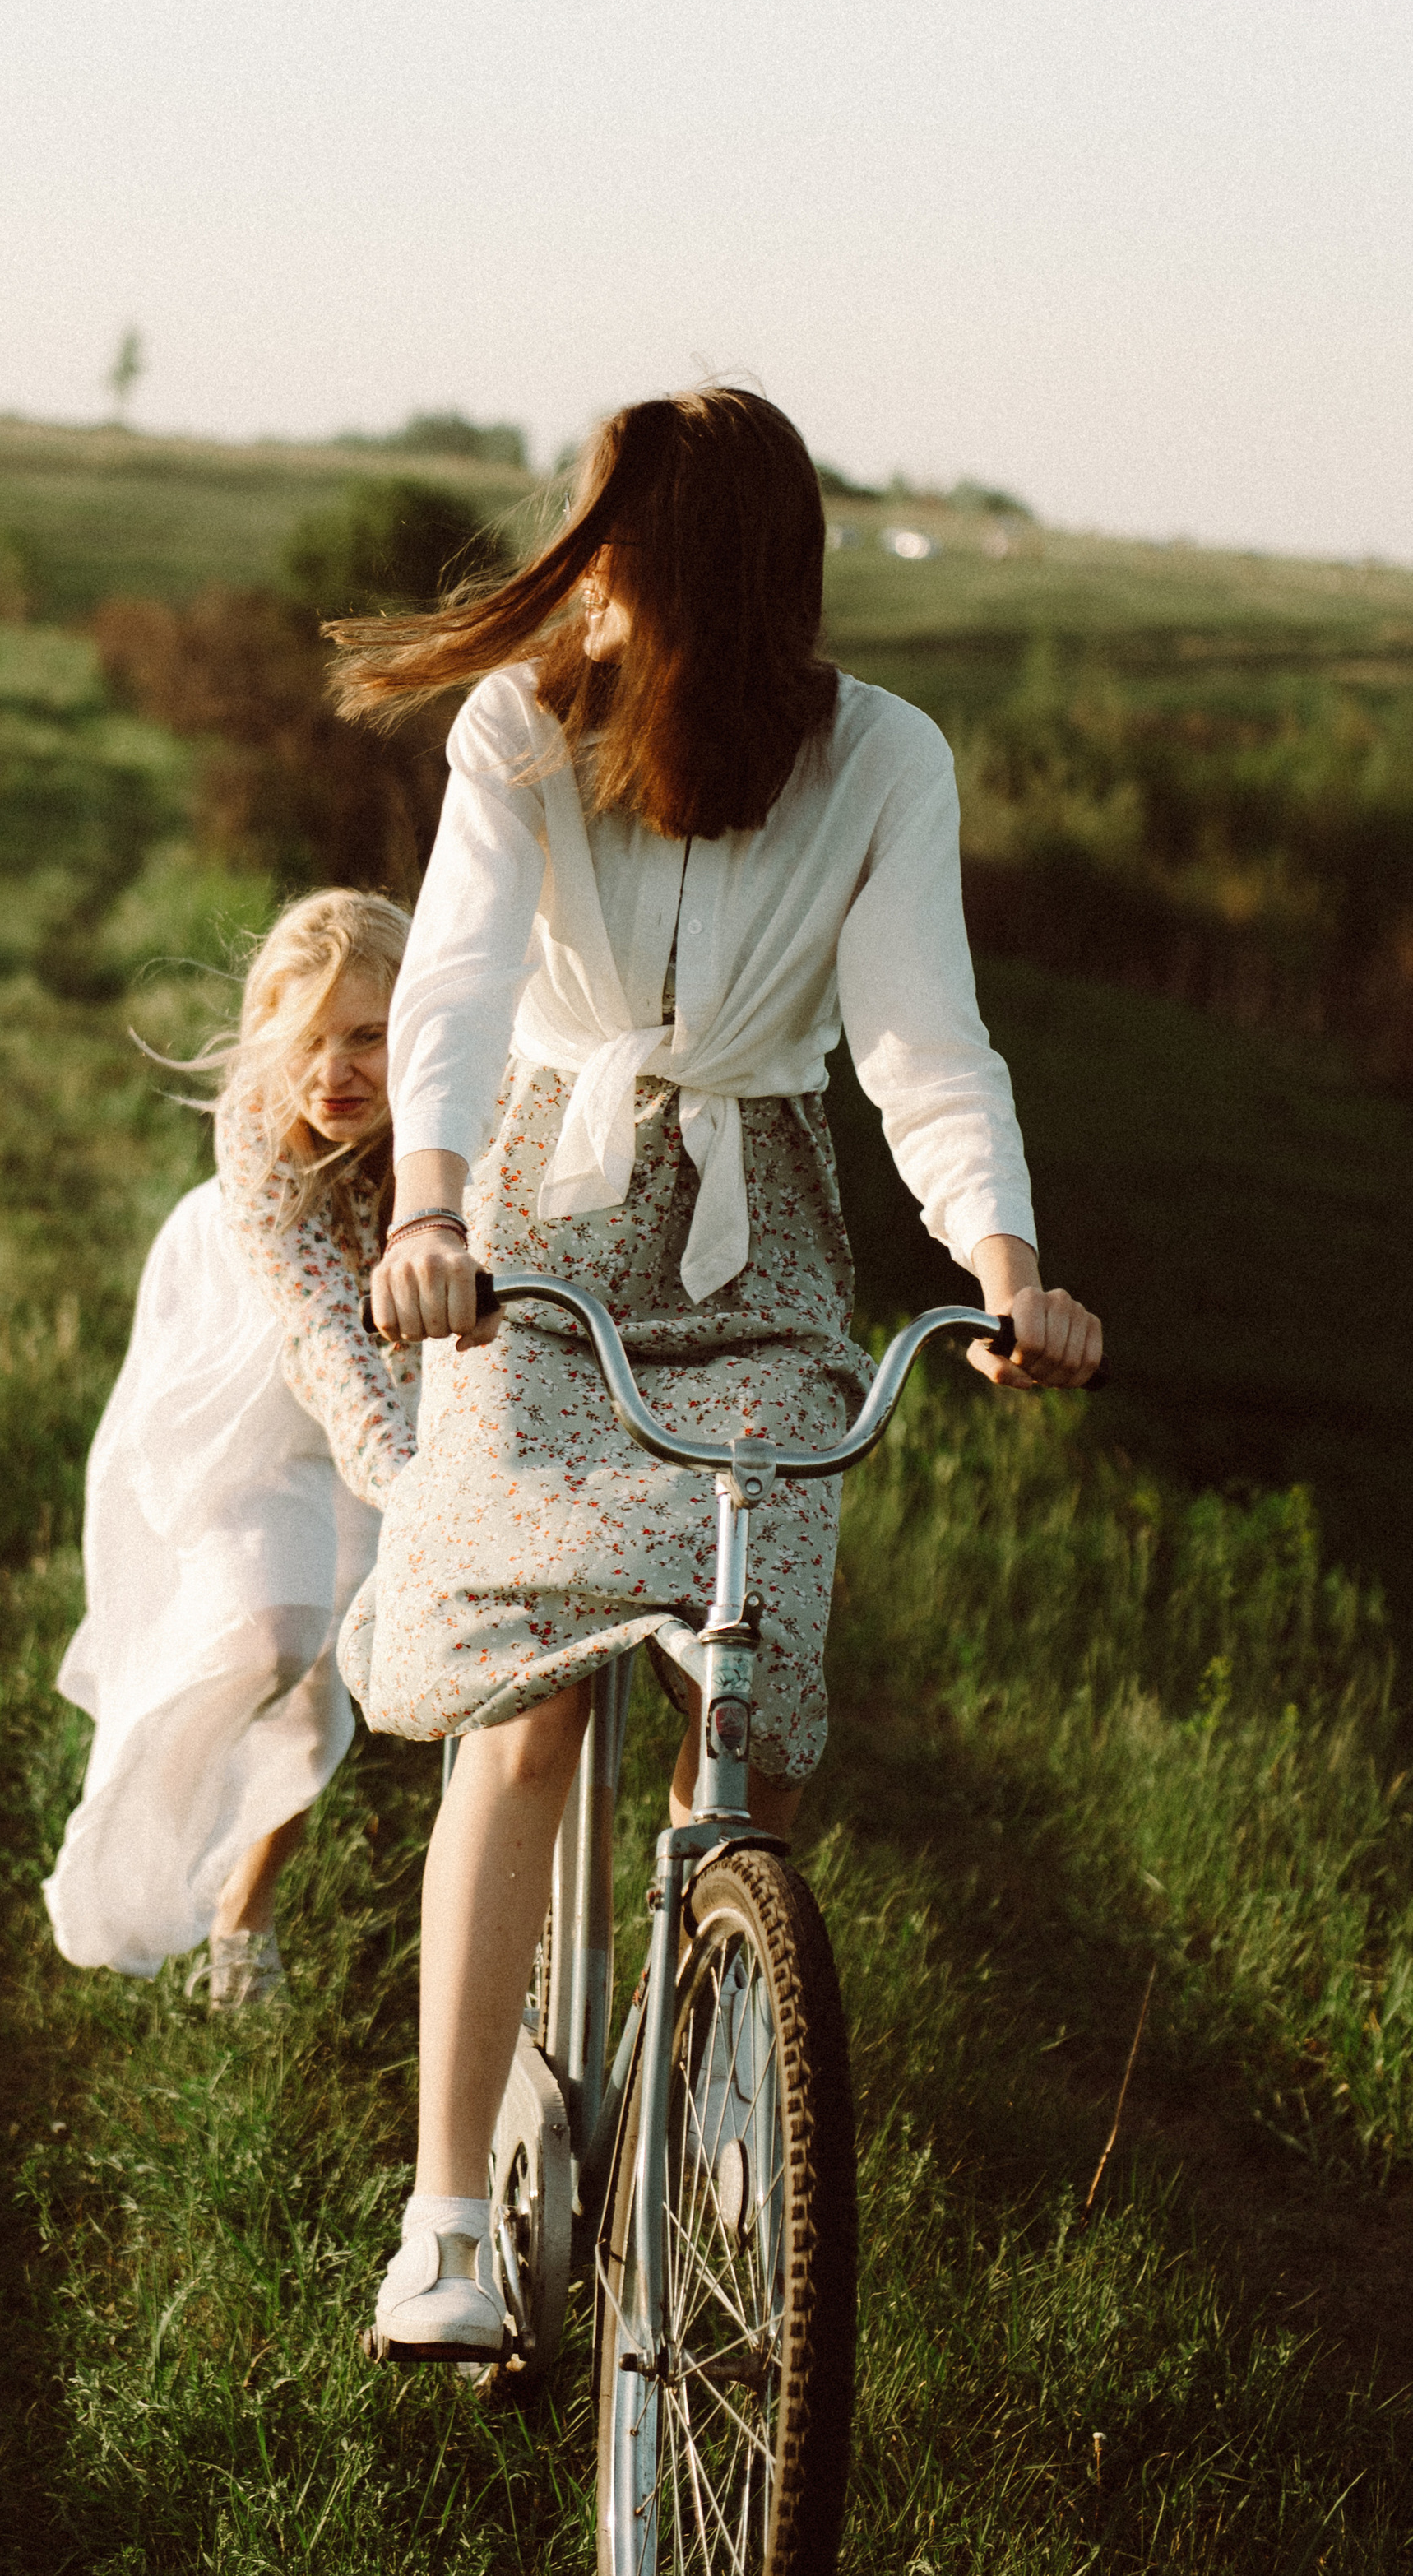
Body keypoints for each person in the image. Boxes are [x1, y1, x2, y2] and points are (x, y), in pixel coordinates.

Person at [333, 388, 1104, 2357]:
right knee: (524, 1709)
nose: (575, 577)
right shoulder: (518, 728)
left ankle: (725, 2108)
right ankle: (442, 2216)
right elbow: (457, 980)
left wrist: (1005, 1271)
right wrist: (426, 1209)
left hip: (759, 1247)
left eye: (607, 546)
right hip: (529, 1227)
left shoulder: (880, 757)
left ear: (687, 574)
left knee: (740, 1703)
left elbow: (921, 1039)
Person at [44, 889, 419, 2007]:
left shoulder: (453, 1123)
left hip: (386, 1391)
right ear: (266, 1039)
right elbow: (321, 1332)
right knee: (265, 1635)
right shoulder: (259, 1127)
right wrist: (410, 1484)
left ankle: (243, 1912)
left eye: (368, 1035)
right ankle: (137, 1836)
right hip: (246, 1378)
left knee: (321, 1676)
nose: (333, 1072)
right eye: (305, 1039)